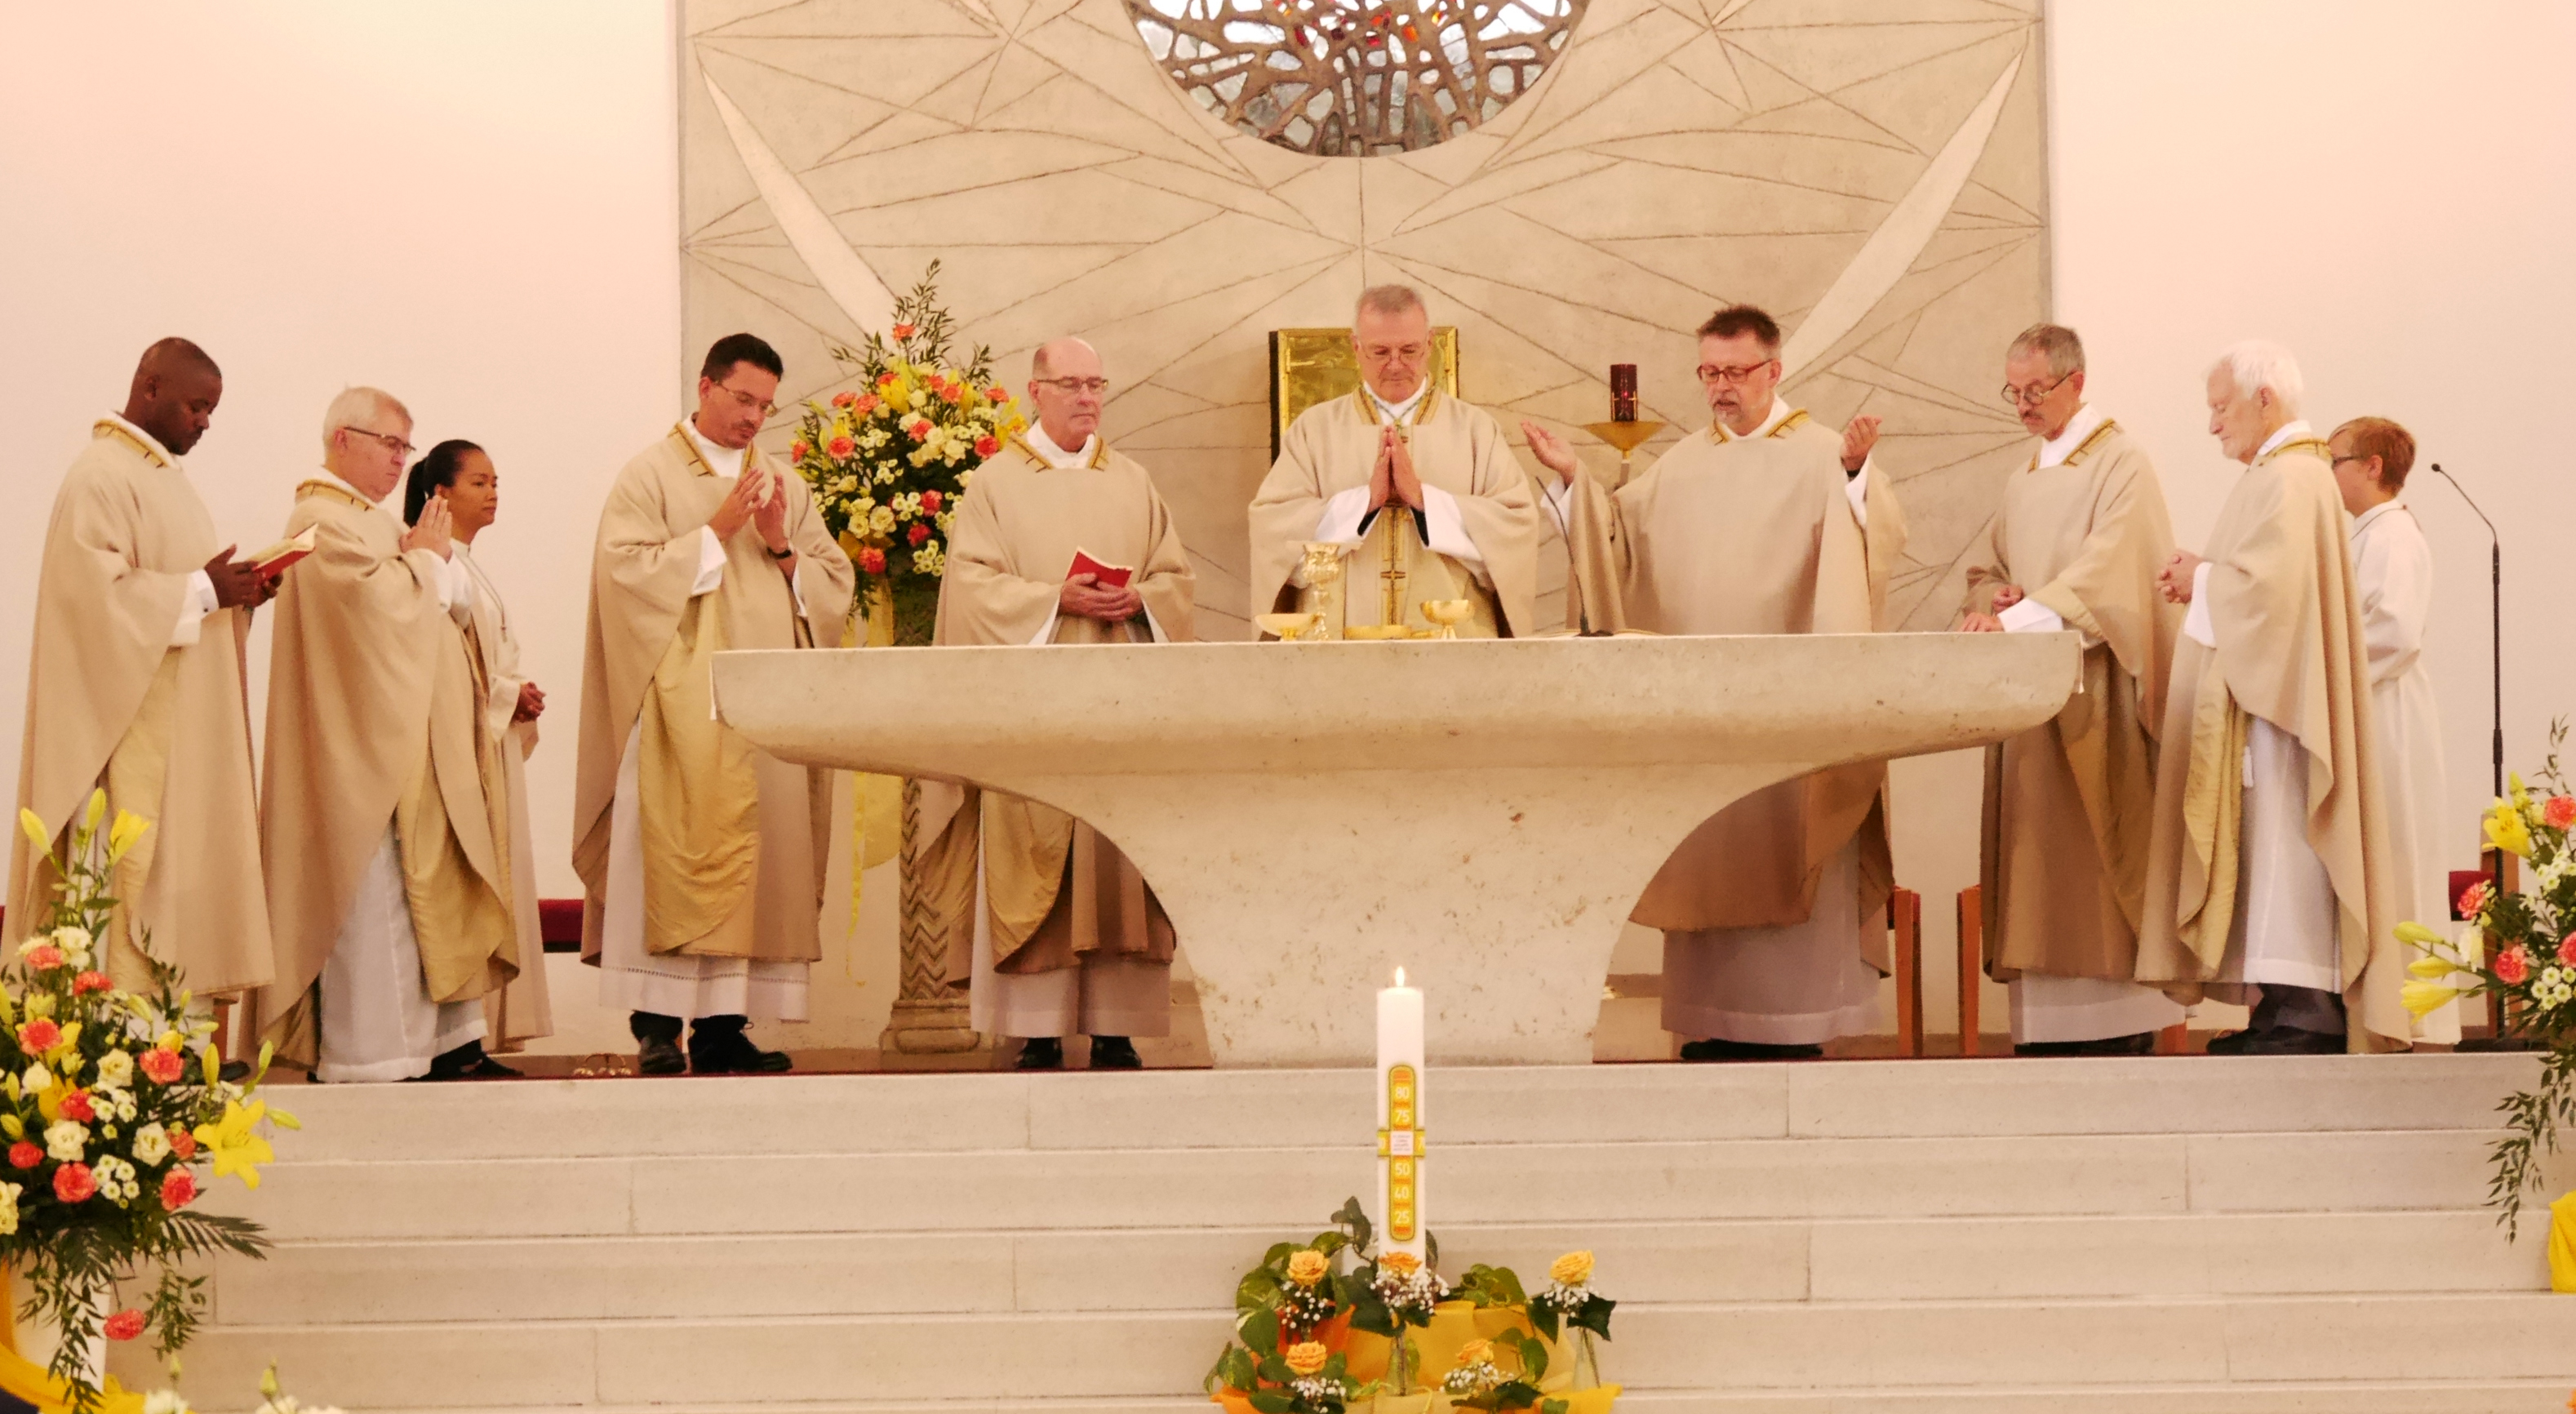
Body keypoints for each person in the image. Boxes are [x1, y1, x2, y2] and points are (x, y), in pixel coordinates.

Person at [1528, 304, 1905, 1060]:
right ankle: (1713, 1026)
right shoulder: (1685, 463)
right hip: (1708, 720)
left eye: (1735, 372)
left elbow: (1876, 545)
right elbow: (1617, 541)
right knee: (1710, 861)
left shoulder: (1827, 454)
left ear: (1774, 370)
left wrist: (1859, 477)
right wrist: (1574, 484)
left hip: (1792, 720)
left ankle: (1796, 1030)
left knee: (1790, 851)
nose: (1721, 388)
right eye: (1709, 372)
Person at [573, 333, 855, 1077]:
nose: (754, 418)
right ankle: (658, 1025)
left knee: (760, 865)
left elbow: (833, 584)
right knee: (670, 851)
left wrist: (779, 545)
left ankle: (727, 1026)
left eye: (765, 405)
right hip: (679, 702)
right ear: (705, 387)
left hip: (762, 705)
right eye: (742, 400)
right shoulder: (650, 475)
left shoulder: (786, 486)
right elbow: (622, 575)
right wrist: (718, 531)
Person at [922, 336, 1196, 1070]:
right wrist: (1053, 600)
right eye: (1070, 383)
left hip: (1118, 706)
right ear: (1034, 392)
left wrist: (1143, 597)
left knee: (1117, 862)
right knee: (1033, 852)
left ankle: (1115, 1027)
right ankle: (1036, 1028)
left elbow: (1177, 580)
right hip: (1030, 711)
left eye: (1096, 384)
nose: (1087, 398)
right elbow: (970, 588)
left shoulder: (1133, 482)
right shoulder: (995, 485)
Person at [2136, 342, 2400, 1054]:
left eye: (2221, 408)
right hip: (2268, 703)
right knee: (2268, 857)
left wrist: (2206, 579)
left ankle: (2305, 1013)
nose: (2213, 425)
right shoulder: (2281, 473)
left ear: (2264, 399)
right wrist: (2208, 578)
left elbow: (2271, 596)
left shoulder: (2291, 476)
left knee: (2288, 851)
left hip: (2285, 717)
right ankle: (2280, 1008)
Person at [251, 388, 519, 1082]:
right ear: (343, 439)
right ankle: (374, 1057)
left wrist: (428, 564)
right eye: (390, 445)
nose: (403, 460)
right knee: (379, 908)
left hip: (403, 745)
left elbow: (440, 601)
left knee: (421, 896)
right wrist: (424, 565)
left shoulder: (364, 521)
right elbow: (380, 615)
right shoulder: (319, 520)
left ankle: (435, 1047)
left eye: (407, 447)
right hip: (359, 757)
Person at [7, 338, 274, 1011]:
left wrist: (236, 597)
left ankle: (171, 1047)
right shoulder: (101, 474)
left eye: (212, 411)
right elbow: (94, 604)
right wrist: (206, 591)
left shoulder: (160, 478)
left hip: (175, 738)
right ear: (149, 387)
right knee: (122, 885)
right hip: (122, 748)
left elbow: (181, 595)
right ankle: (120, 1048)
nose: (205, 423)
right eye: (196, 406)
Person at [1956, 324, 2187, 1055]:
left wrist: (2022, 619)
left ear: (2076, 382)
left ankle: (2116, 1029)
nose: (2023, 405)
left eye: (2036, 391)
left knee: (2097, 849)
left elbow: (2114, 569)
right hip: (2029, 694)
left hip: (2096, 688)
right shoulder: (2024, 476)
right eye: (2014, 392)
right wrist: (1995, 600)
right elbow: (1987, 567)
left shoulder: (2122, 462)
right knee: (2036, 863)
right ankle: (2048, 1032)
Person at [1248, 285, 1541, 637]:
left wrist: (1424, 501)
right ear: (1356, 348)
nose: (1396, 364)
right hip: (1338, 642)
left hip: (1451, 644)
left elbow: (1515, 530)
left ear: (1430, 344)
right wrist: (1363, 504)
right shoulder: (1315, 430)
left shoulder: (1475, 430)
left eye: (1409, 350)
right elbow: (1272, 529)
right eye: (1380, 351)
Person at [404, 441, 552, 1058]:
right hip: (459, 752)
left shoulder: (465, 564)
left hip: (487, 743)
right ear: (439, 494)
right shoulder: (428, 562)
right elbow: (440, 664)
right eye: (478, 482)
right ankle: (455, 1038)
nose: (493, 492)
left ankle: (477, 1032)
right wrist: (504, 693)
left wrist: (512, 693)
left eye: (497, 482)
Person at [2329, 416, 2455, 1044]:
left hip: (2389, 718)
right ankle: (2376, 1023)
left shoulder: (2392, 535)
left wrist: (2326, 675)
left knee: (2397, 869)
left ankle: (2407, 1026)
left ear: (2373, 466)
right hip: (2371, 710)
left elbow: (2394, 634)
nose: (2331, 476)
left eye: (2337, 462)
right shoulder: (2365, 535)